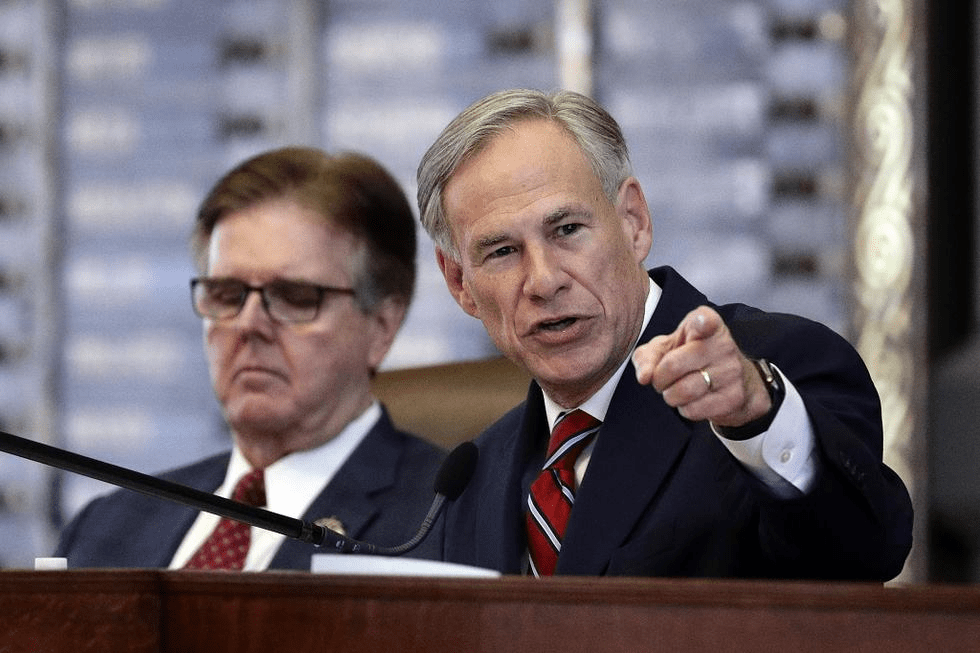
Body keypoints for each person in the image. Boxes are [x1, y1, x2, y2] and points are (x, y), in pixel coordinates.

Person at [416, 89, 914, 579]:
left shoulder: (778, 373)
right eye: (502, 252)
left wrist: (756, 419)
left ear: (633, 222)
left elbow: (864, 554)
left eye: (567, 229)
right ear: (459, 282)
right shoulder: (470, 479)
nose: (544, 281)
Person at [56, 146, 446, 570]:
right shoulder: (105, 529)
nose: (248, 324)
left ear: (383, 326)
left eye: (294, 297)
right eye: (227, 294)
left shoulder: (447, 522)